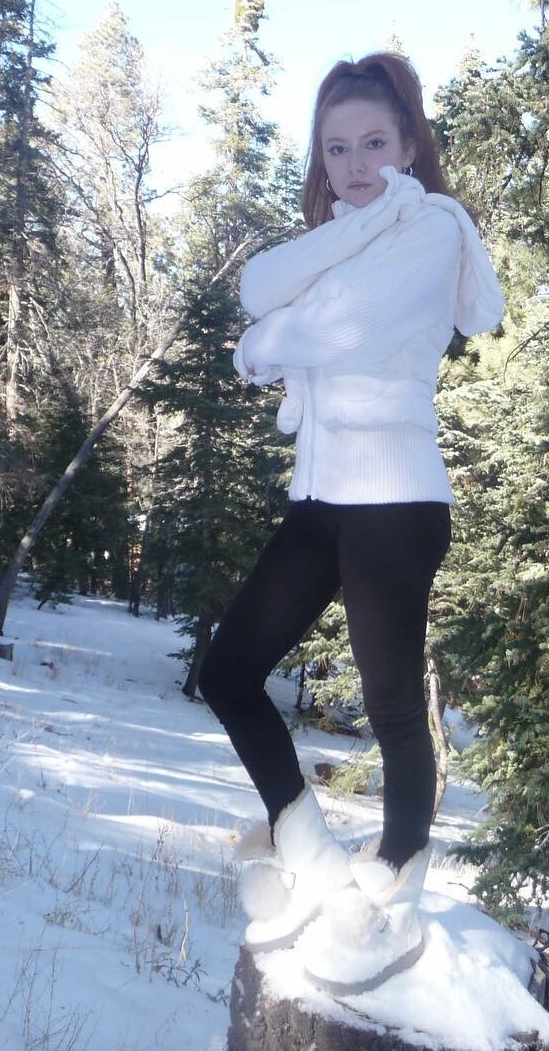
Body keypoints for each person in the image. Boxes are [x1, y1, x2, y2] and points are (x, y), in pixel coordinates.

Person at [198, 51, 504, 994]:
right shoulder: (348, 232)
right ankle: (309, 852)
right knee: (229, 671)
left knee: (393, 706)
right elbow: (259, 289)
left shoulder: (434, 228)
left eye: (375, 143)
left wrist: (264, 344)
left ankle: (399, 877)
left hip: (396, 501)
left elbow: (343, 333)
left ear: (409, 145)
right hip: (320, 501)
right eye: (337, 149)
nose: (357, 165)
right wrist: (328, 253)